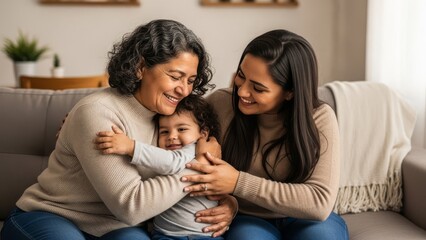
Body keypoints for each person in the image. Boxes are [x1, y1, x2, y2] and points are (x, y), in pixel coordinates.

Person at [0, 19, 237, 240]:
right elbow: (132, 206)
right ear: (141, 67)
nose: (184, 90)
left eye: (191, 80)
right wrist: (199, 168)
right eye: (176, 77)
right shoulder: (98, 112)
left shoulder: (171, 119)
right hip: (53, 215)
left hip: (117, 227)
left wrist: (229, 203)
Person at [181, 29, 349, 240]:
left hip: (306, 219)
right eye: (241, 76)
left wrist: (238, 182)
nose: (241, 91)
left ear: (290, 92)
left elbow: (319, 202)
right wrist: (228, 200)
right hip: (248, 218)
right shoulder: (220, 104)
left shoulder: (320, 118)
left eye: (258, 88)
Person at [95, 94, 224, 239]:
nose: (172, 136)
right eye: (164, 132)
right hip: (164, 235)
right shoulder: (164, 152)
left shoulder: (196, 149)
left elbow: (172, 162)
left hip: (202, 235)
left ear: (203, 133)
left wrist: (131, 147)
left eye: (181, 129)